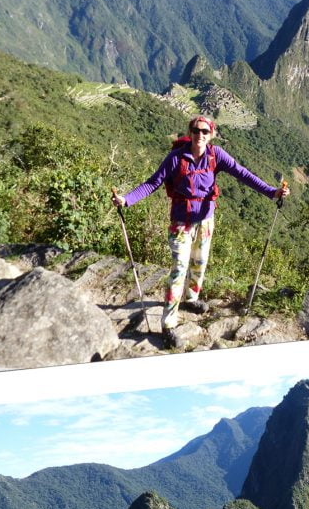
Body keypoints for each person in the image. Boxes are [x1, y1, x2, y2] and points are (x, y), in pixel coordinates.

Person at [112, 115, 290, 343]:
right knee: (179, 269)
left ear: (211, 134)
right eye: (196, 130)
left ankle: (191, 298)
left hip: (206, 220)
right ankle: (168, 322)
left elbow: (242, 173)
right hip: (181, 223)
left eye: (205, 131)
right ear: (190, 132)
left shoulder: (216, 155)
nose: (200, 135)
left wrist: (272, 191)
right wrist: (127, 200)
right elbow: (153, 182)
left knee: (199, 262)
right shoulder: (176, 158)